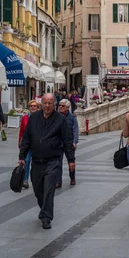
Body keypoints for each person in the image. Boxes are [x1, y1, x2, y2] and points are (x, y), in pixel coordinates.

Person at [18, 93, 75, 230]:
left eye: (50, 103)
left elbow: (67, 140)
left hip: (53, 160)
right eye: (45, 103)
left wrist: (71, 160)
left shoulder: (60, 120)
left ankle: (46, 217)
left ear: (54, 104)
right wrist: (22, 156)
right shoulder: (34, 118)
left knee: (49, 188)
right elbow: (26, 138)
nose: (47, 106)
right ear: (41, 104)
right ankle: (44, 208)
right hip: (36, 161)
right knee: (38, 190)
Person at [18, 100, 40, 189]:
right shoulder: (25, 118)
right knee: (26, 161)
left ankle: (36, 180)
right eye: (31, 106)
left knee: (36, 163)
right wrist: (20, 144)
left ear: (38, 108)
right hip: (27, 144)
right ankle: (25, 180)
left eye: (35, 106)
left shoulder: (40, 118)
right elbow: (21, 132)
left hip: (37, 145)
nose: (33, 107)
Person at [58, 99, 79, 187]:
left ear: (68, 107)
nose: (60, 107)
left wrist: (74, 141)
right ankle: (58, 181)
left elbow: (75, 130)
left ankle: (72, 178)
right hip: (58, 143)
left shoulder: (72, 117)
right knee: (58, 163)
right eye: (59, 105)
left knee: (71, 163)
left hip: (69, 142)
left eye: (62, 106)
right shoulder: (56, 116)